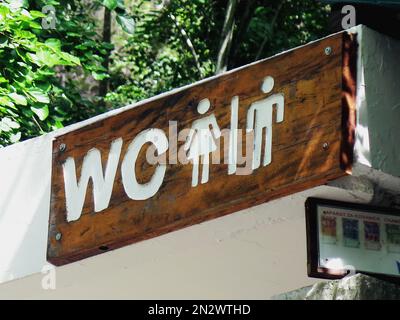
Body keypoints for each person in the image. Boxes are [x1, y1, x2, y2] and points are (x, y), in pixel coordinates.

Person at [184, 98, 222, 187]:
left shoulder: (207, 119)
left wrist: (186, 146)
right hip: (202, 141)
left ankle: (201, 179)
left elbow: (216, 130)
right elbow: (217, 132)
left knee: (201, 161)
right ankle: (199, 180)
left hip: (203, 141)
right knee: (201, 161)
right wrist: (186, 146)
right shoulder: (205, 120)